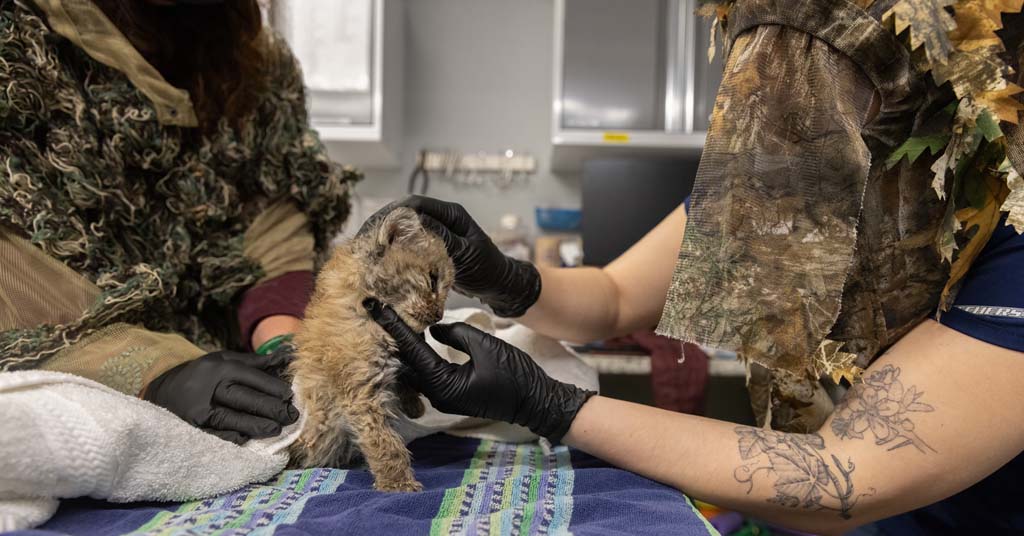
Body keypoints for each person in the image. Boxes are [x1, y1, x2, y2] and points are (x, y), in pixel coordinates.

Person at [366, 2, 1024, 533]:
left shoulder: (1010, 217)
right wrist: (498, 274)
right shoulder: (790, 173)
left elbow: (841, 475)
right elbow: (614, 296)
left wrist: (546, 404)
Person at [0, 0, 358, 444]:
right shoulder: (17, 45)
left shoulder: (250, 57)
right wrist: (155, 373)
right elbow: (15, 278)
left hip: (224, 362)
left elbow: (267, 208)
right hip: (74, 380)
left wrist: (285, 343)